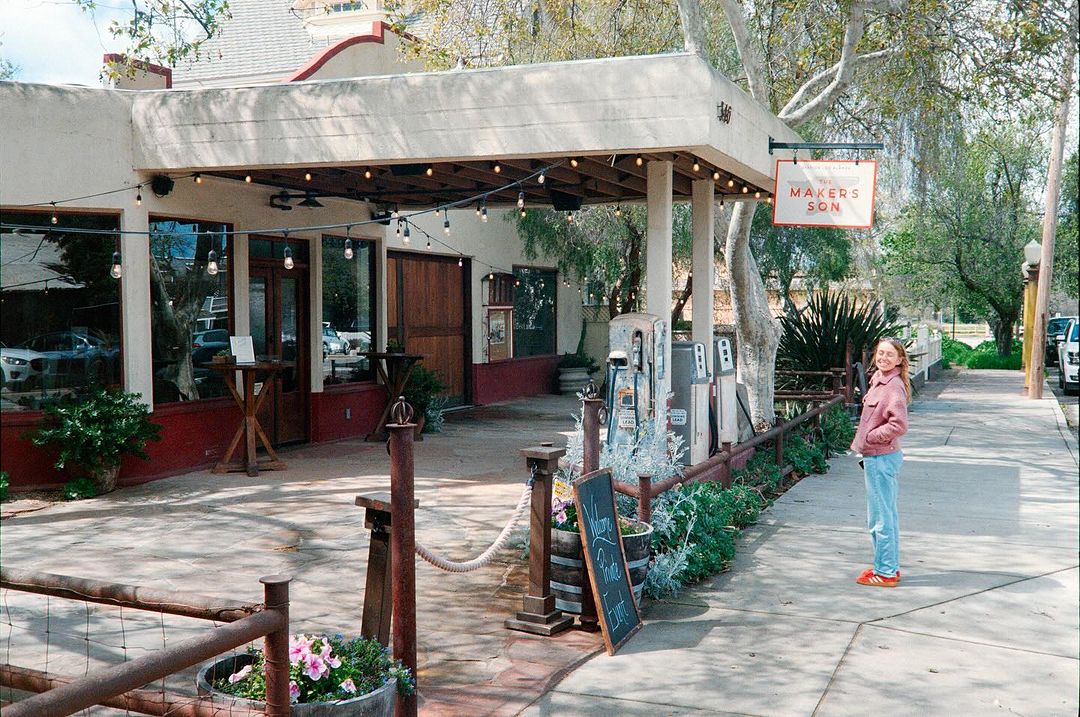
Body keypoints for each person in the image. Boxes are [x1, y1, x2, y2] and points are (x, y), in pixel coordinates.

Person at [850, 337, 911, 587]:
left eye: (890, 355)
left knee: (880, 518)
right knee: (885, 515)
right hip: (878, 457)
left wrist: (870, 437)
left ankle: (885, 573)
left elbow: (899, 424)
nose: (884, 358)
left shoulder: (892, 386)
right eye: (881, 353)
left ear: (899, 360)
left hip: (881, 457)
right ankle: (887, 566)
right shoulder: (879, 380)